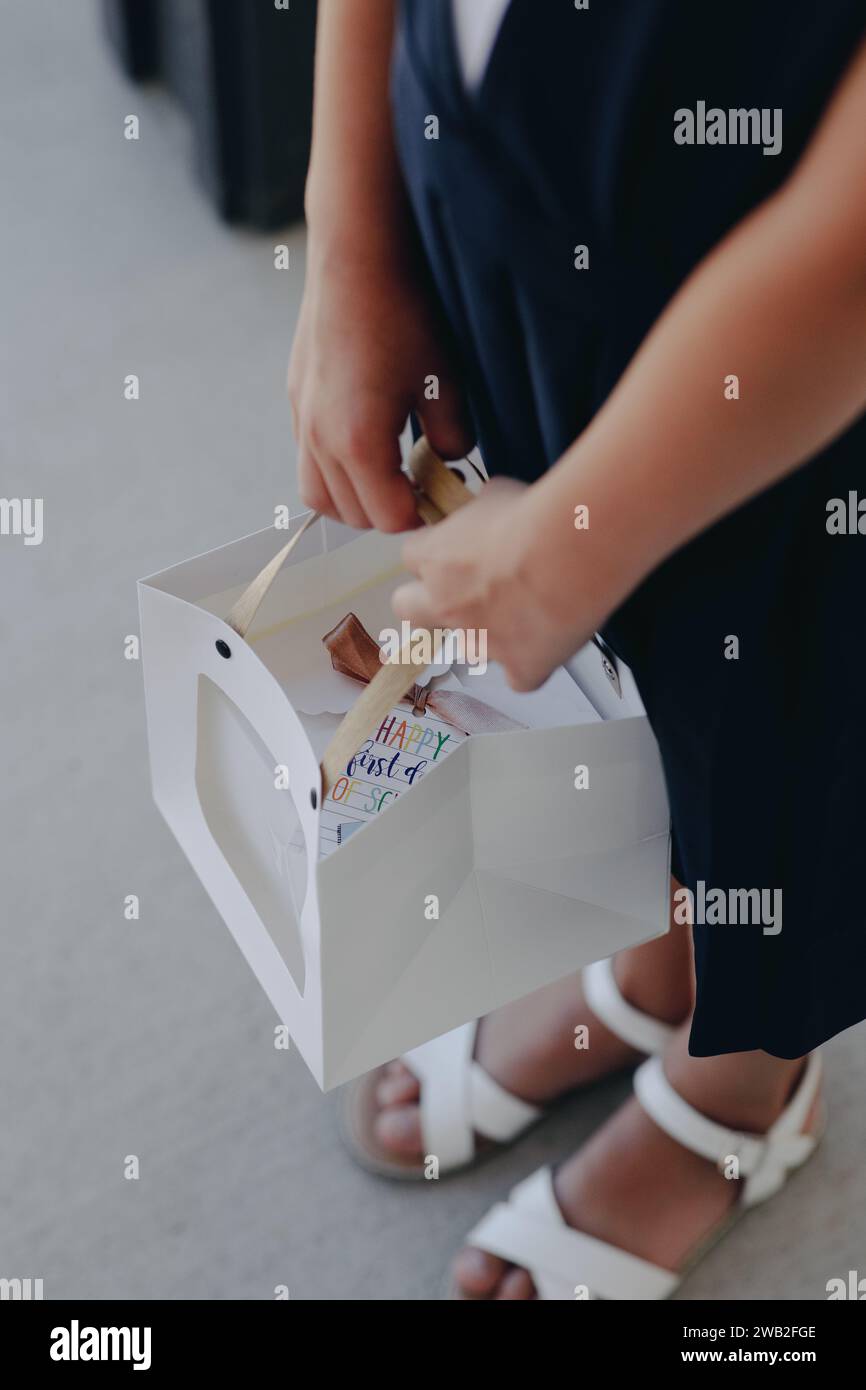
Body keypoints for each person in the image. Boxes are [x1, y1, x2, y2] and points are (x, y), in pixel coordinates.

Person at [288, 0, 866, 1299]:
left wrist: (572, 541)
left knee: (778, 696)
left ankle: (742, 1081)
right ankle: (664, 952)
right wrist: (350, 235)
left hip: (802, 310)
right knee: (618, 662)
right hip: (498, 151)